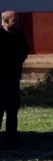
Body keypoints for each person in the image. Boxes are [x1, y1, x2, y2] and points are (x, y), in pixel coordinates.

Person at [0, 11, 29, 145]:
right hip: (1, 78)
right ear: (5, 21)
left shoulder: (19, 35)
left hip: (14, 77)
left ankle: (12, 136)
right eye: (14, 20)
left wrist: (19, 60)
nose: (17, 22)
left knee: (13, 108)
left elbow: (25, 50)